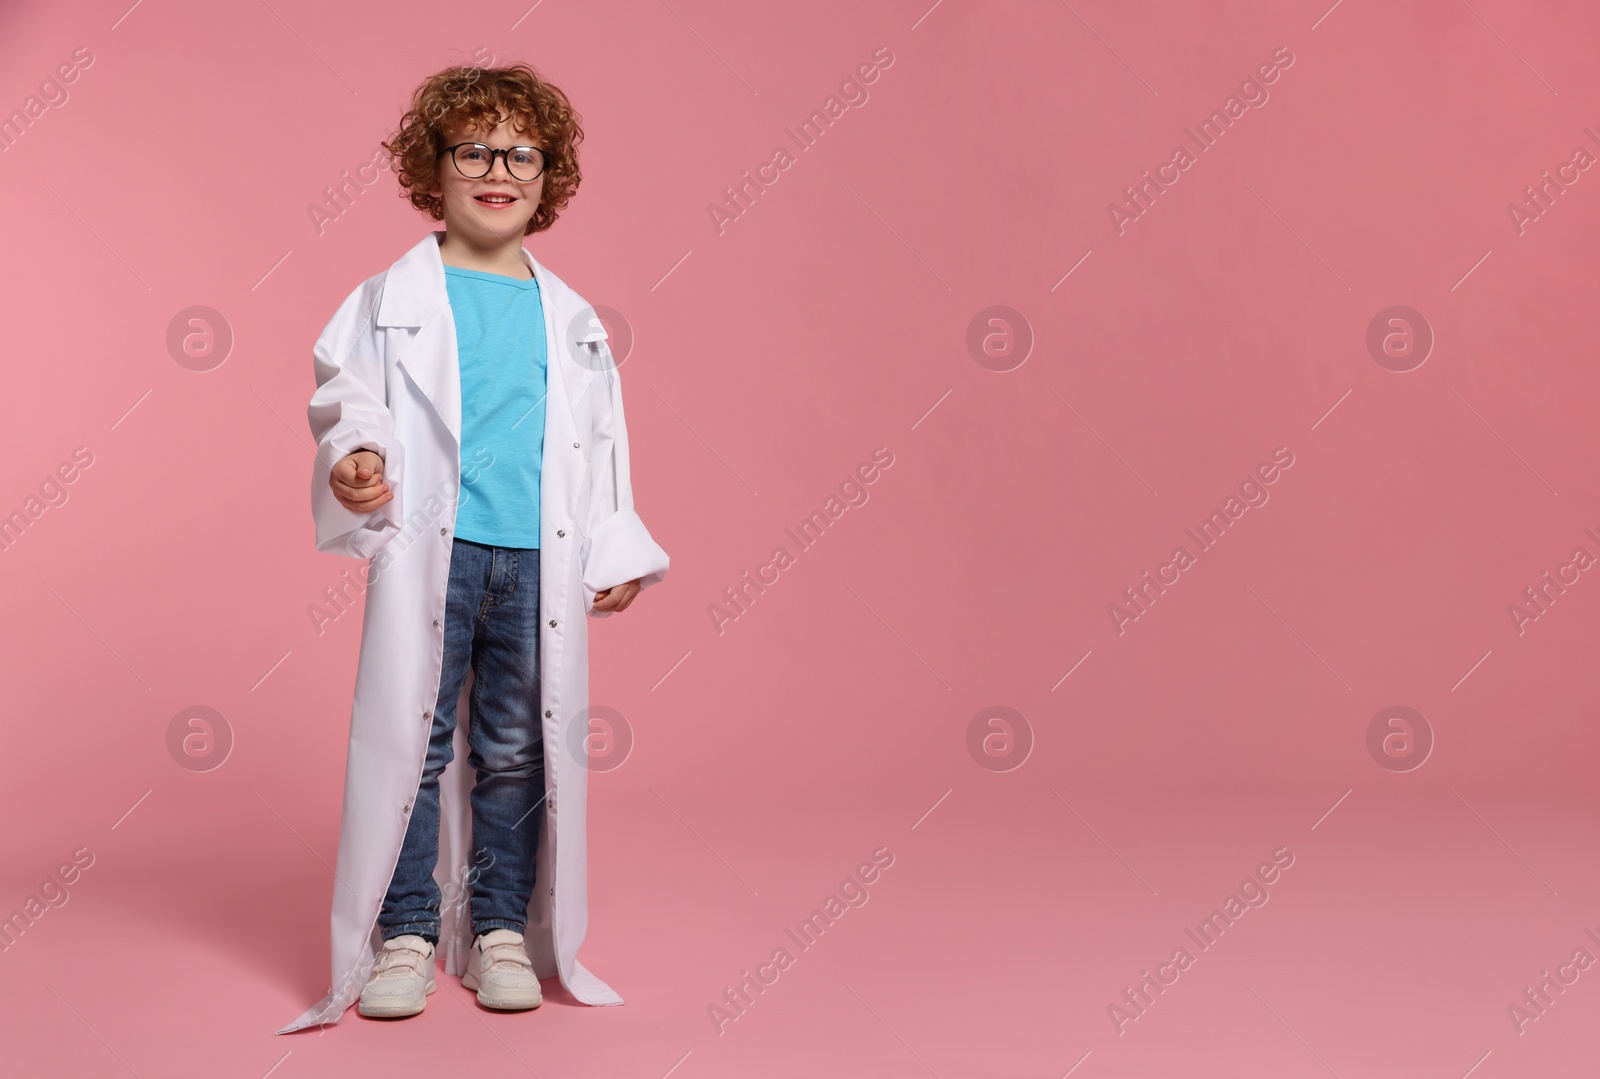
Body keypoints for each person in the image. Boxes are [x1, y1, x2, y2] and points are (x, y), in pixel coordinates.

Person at [281, 61, 669, 1031]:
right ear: (435, 168)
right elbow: (345, 398)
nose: (499, 167)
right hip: (436, 553)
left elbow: (603, 446)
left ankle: (500, 927)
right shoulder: (385, 298)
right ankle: (405, 933)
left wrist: (614, 544)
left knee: (516, 747)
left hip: (534, 559)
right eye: (474, 149)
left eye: (521, 152)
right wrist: (357, 457)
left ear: (548, 177)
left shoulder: (573, 318)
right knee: (410, 743)